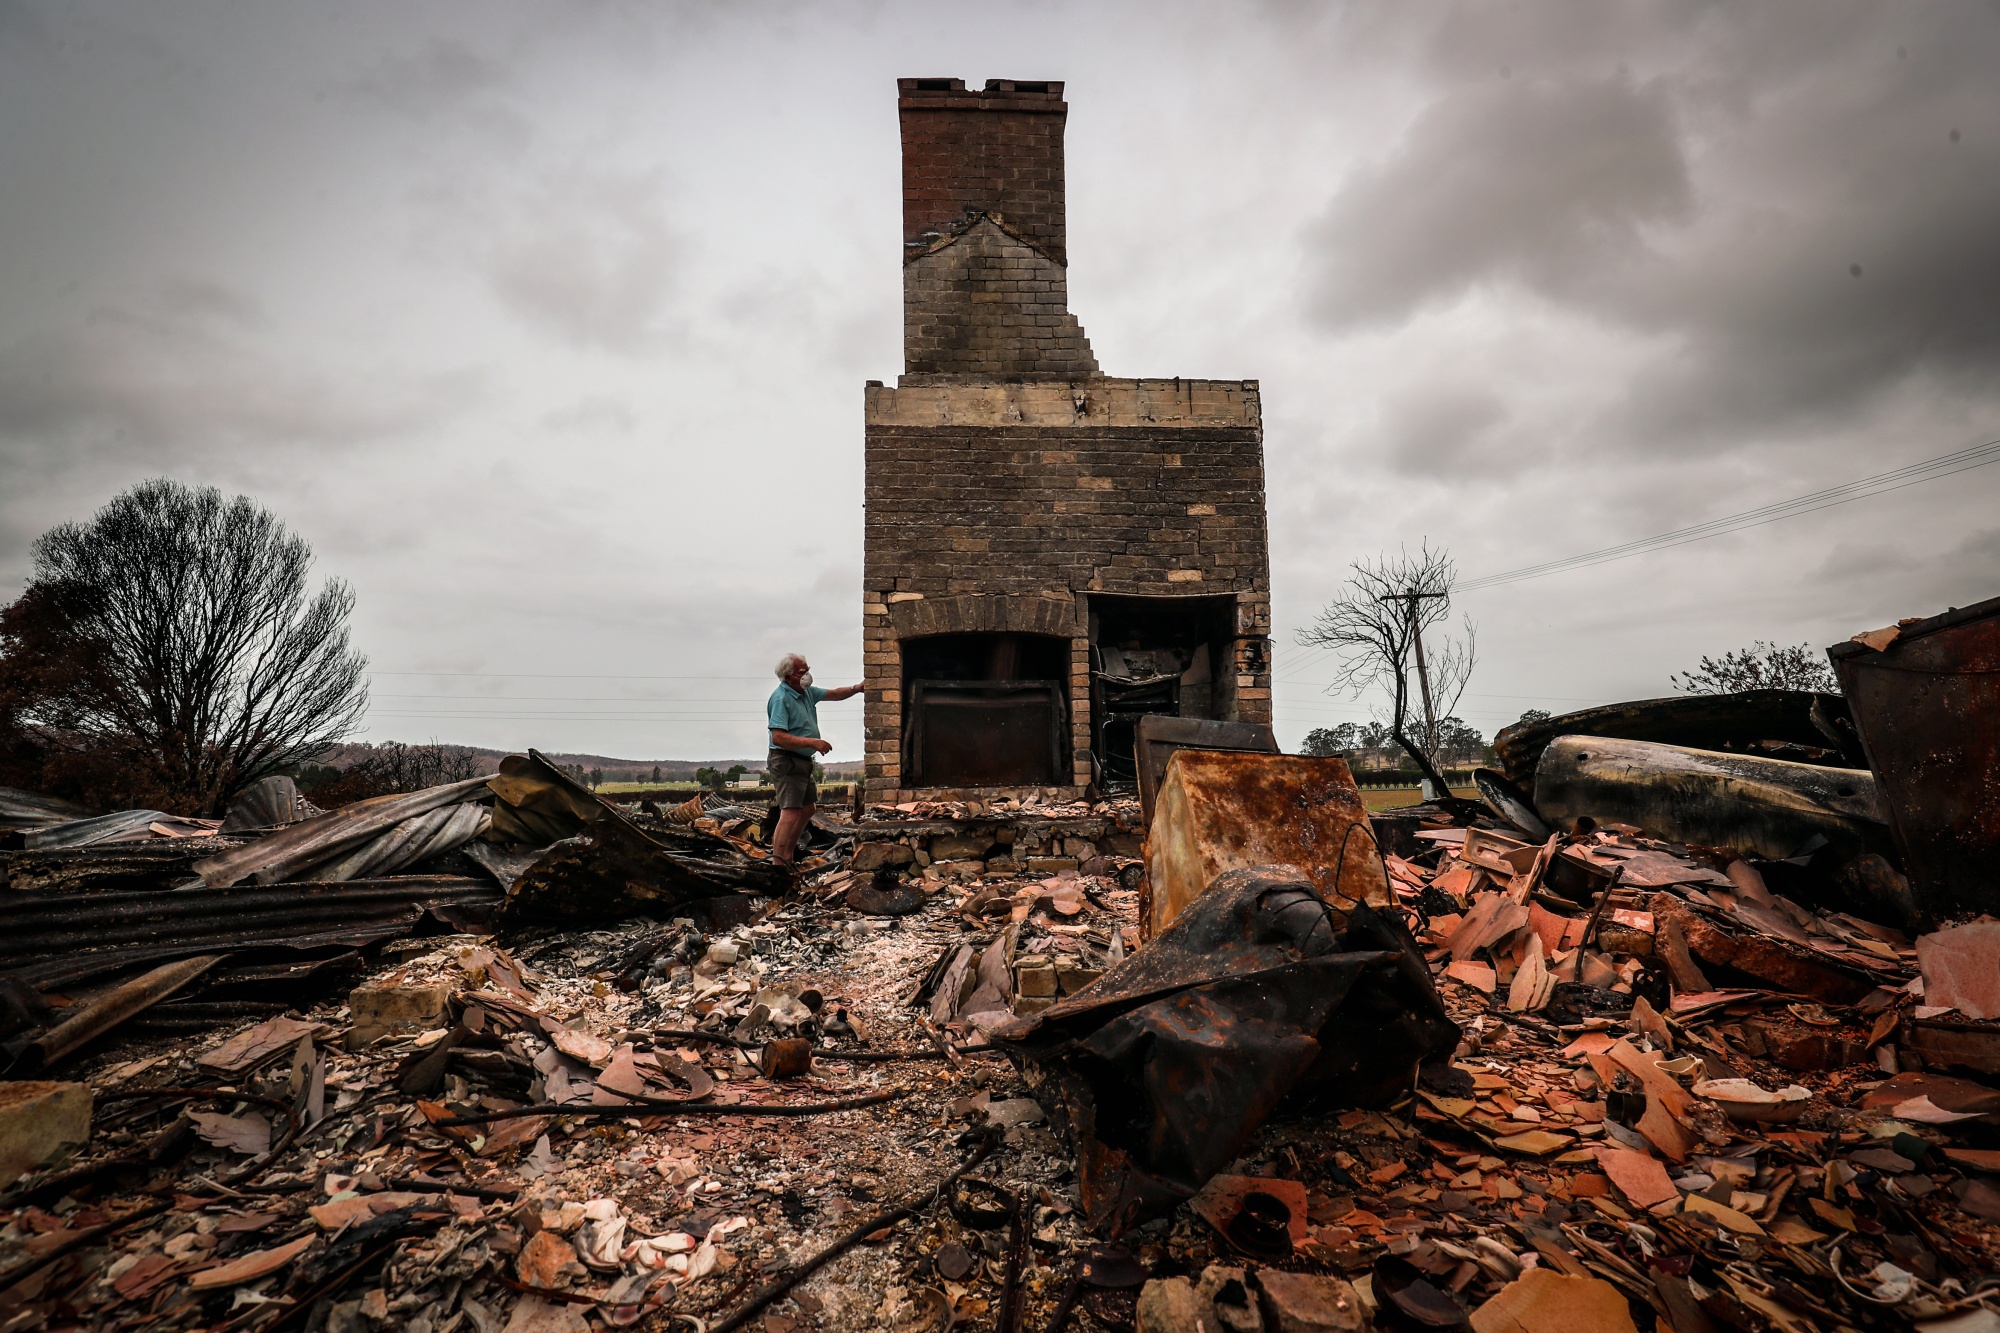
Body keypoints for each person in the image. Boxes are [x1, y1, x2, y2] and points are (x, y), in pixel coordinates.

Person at [765, 652, 863, 867]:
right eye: (802, 672)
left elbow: (835, 694)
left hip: (802, 762)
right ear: (789, 676)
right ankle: (779, 864)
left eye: (808, 669)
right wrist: (812, 742)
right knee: (790, 812)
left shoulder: (806, 692)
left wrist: (857, 688)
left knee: (808, 809)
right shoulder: (782, 698)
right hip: (786, 761)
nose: (807, 675)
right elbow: (778, 737)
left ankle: (788, 855)